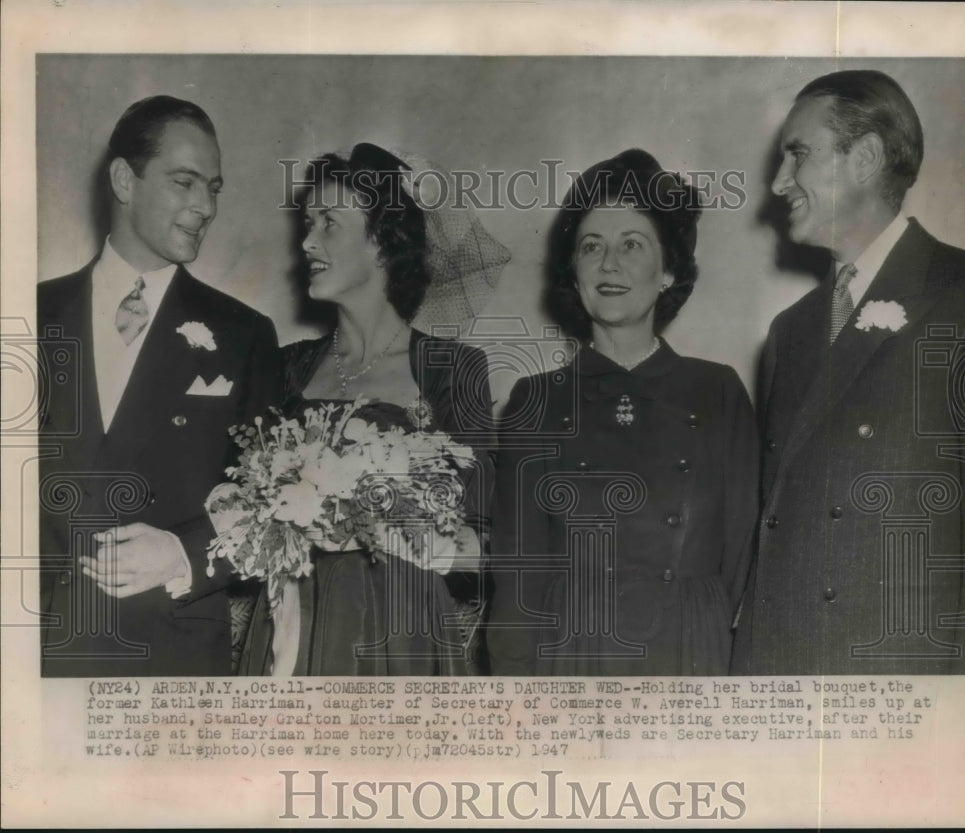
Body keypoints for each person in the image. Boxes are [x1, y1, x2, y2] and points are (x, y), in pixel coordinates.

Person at [731, 70, 965, 675]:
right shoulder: (790, 331)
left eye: (799, 154)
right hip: (782, 677)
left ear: (866, 156)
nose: (778, 182)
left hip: (898, 679)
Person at [486, 148, 759, 675]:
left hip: (688, 649)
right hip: (576, 651)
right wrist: (513, 692)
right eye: (592, 246)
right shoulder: (535, 401)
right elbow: (519, 576)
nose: (608, 263)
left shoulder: (717, 391)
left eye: (632, 245)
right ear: (574, 271)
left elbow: (742, 557)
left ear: (667, 271)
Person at [37, 95, 281, 676]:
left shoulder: (244, 336)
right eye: (185, 182)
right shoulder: (25, 316)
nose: (206, 206)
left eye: (213, 187)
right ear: (125, 179)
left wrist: (183, 553)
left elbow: (277, 510)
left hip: (169, 658)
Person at [238, 142, 504, 675]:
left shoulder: (452, 369)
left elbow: (484, 542)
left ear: (383, 242)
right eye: (307, 223)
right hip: (291, 619)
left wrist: (386, 522)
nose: (307, 241)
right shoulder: (284, 366)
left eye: (330, 222)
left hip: (398, 630)